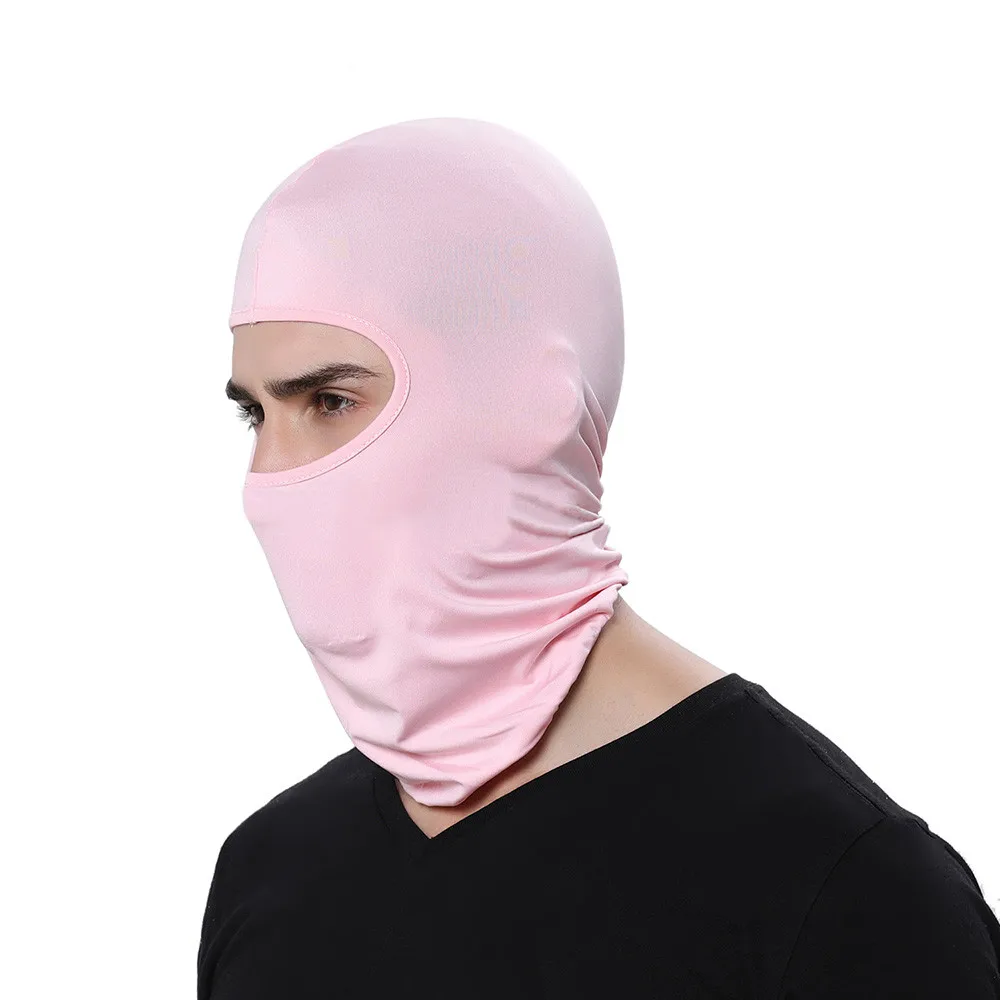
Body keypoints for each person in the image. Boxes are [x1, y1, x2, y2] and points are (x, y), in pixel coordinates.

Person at [197, 117, 1000, 998]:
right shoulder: (271, 873)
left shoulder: (847, 893)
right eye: (255, 414)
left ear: (532, 403)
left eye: (330, 401)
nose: (267, 483)